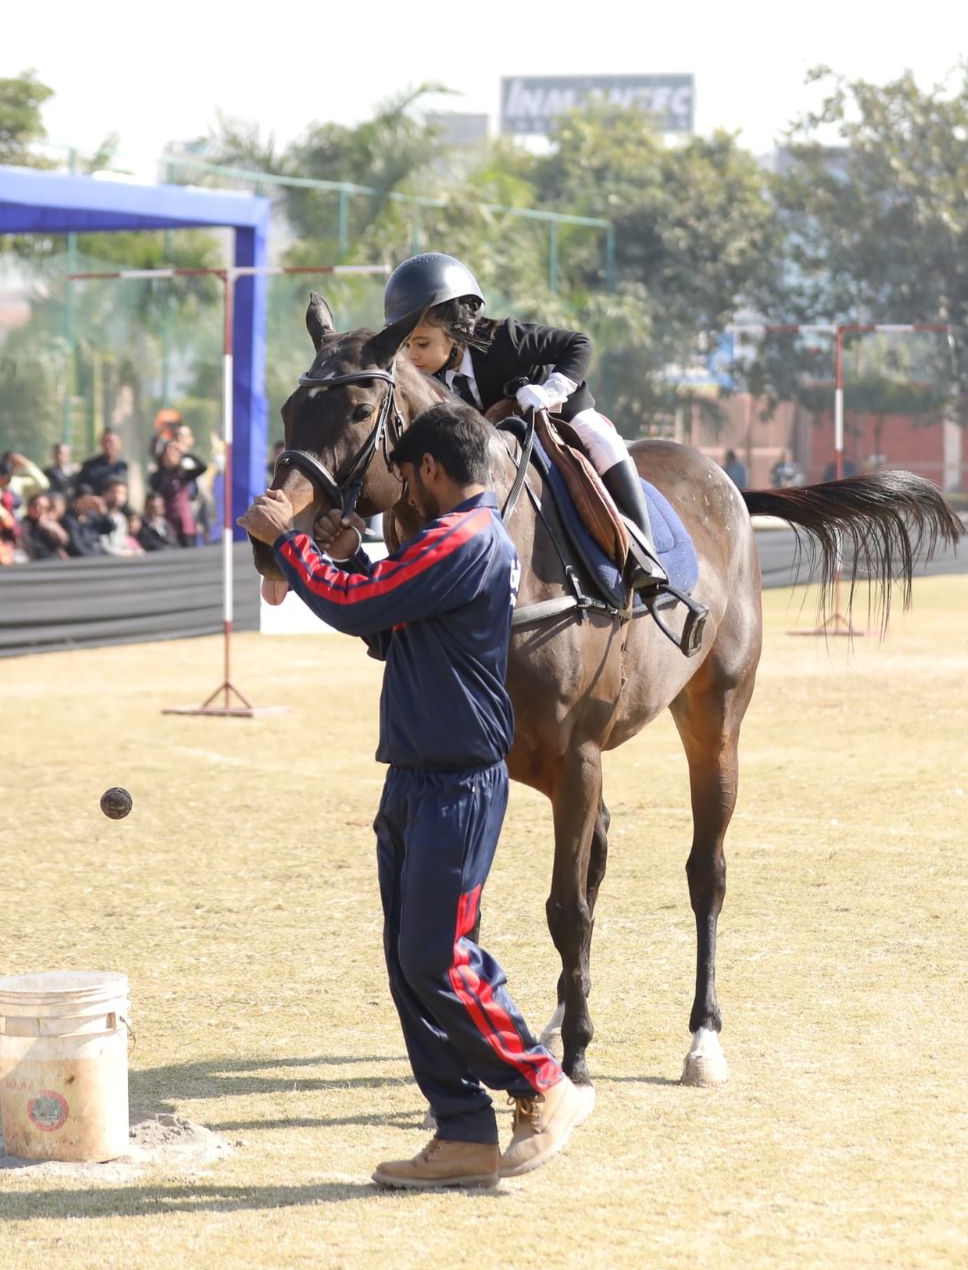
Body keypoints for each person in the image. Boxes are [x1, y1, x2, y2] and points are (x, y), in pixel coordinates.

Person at [239, 403, 592, 1189]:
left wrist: (287, 542)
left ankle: (541, 1082)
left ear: (431, 470)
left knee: (440, 957)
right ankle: (462, 1132)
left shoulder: (463, 536)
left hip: (455, 783)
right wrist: (342, 560)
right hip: (420, 778)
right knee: (412, 965)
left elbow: (356, 605)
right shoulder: (450, 540)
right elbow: (384, 618)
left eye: (404, 477)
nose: (400, 491)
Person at [387, 252, 668, 593]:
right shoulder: (425, 380)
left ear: (456, 331)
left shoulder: (504, 339)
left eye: (422, 343)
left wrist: (550, 390)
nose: (412, 356)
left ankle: (643, 549)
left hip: (555, 411)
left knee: (600, 438)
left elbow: (578, 344)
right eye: (406, 345)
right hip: (497, 437)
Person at [151, 439, 207, 546]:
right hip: (168, 525)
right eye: (169, 452)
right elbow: (154, 488)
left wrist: (183, 453)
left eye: (175, 452)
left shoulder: (184, 473)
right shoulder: (159, 476)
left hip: (186, 524)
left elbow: (203, 466)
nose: (172, 455)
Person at [75, 429, 128, 498]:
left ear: (118, 444)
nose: (107, 445)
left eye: (110, 442)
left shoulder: (122, 466)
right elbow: (82, 487)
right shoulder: (89, 466)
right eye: (105, 441)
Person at [20, 491, 71, 561]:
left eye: (43, 507)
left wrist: (48, 526)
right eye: (35, 505)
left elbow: (63, 541)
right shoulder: (24, 524)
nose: (38, 509)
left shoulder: (49, 523)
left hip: (55, 561)